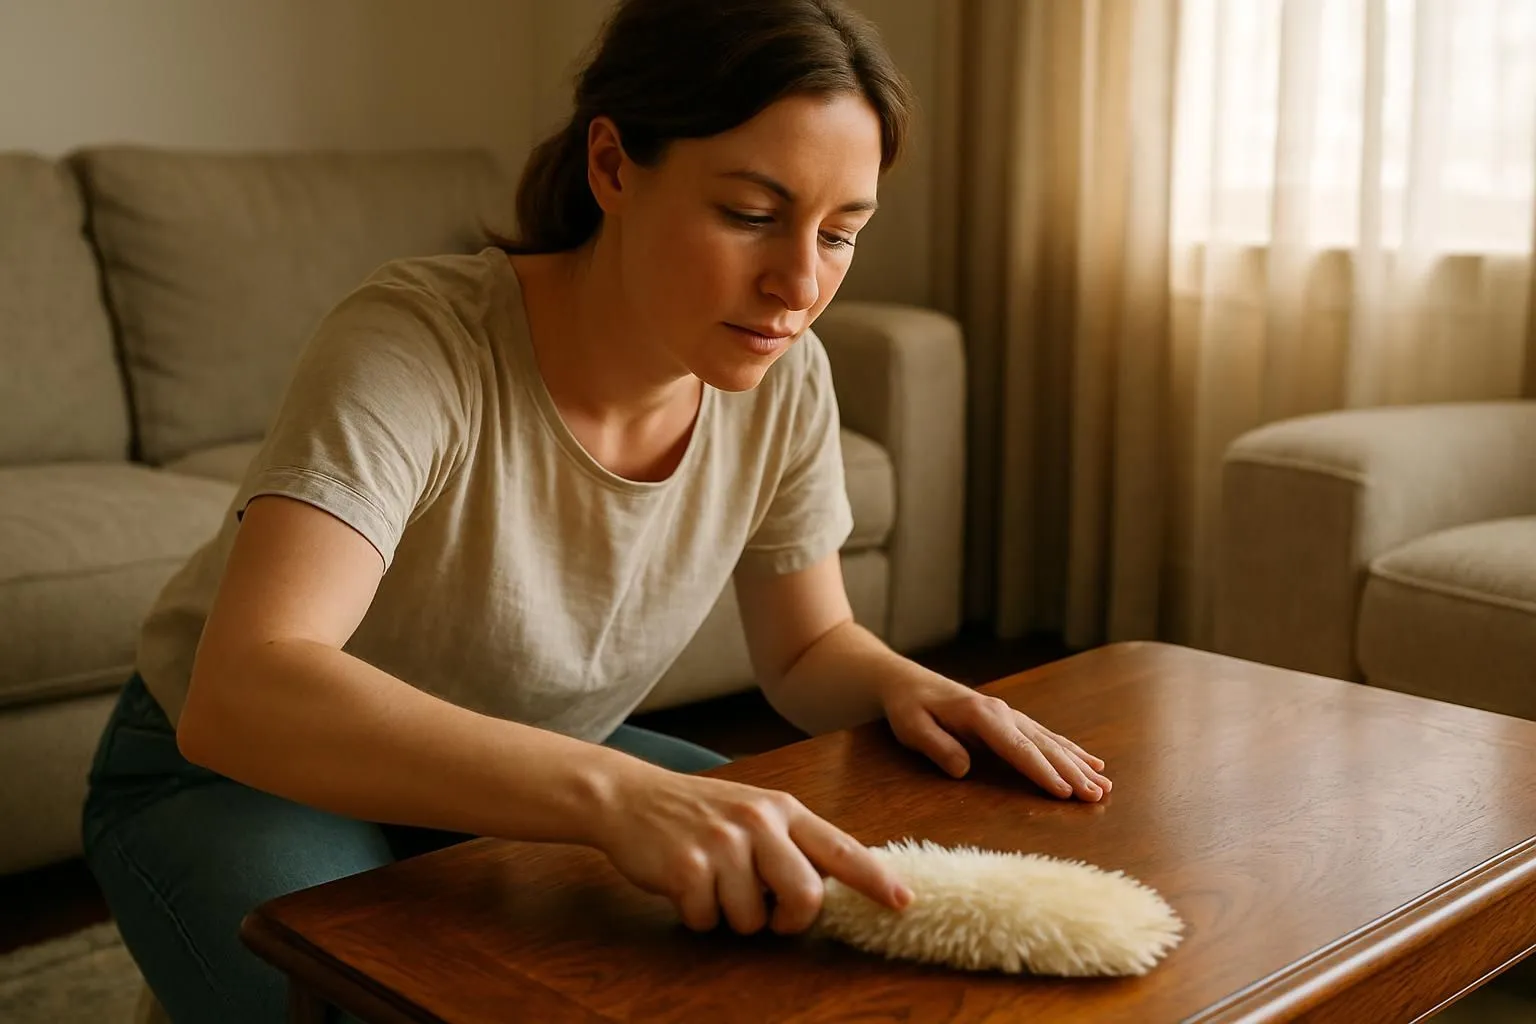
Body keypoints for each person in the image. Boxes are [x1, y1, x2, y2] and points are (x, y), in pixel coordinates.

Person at [81, 1, 1112, 1020]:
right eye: (751, 214)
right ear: (613, 166)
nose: (798, 283)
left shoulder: (786, 378)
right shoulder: (418, 345)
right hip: (229, 771)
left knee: (817, 910)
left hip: (515, 758)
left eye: (841, 234)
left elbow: (806, 648)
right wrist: (615, 795)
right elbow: (247, 688)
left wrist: (914, 688)